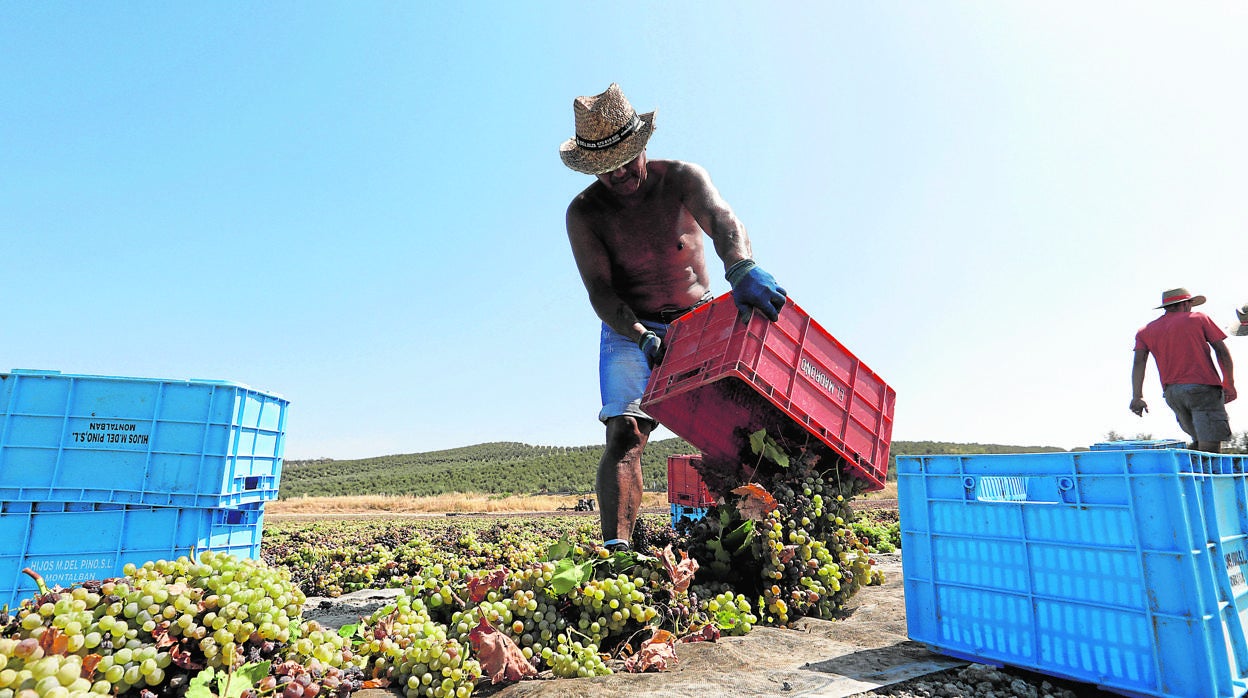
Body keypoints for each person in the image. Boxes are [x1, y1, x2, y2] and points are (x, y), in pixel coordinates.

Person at [559, 83, 787, 551]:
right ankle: (617, 550)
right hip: (630, 329)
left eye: (626, 158)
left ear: (642, 144)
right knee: (625, 432)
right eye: (606, 167)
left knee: (738, 433)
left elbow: (724, 221)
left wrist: (740, 264)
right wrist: (641, 335)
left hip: (698, 320)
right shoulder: (584, 214)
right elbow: (600, 291)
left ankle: (751, 540)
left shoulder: (681, 178)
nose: (620, 173)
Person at [1130, 287, 1237, 452]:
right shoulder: (1198, 319)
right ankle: (1211, 477)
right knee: (1210, 447)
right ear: (1186, 304)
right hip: (1203, 388)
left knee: (1198, 440)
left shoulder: (1145, 331)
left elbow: (1139, 363)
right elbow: (1221, 352)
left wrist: (1137, 396)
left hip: (1173, 393)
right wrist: (1229, 382)